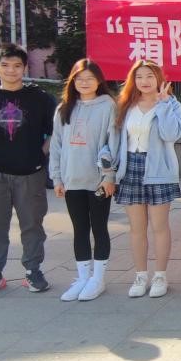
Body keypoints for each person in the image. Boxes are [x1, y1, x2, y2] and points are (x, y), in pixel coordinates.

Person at [0, 43, 57, 297]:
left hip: (29, 172)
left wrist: (40, 153)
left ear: (25, 68)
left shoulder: (40, 99)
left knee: (32, 224)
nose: (11, 70)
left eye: (17, 65)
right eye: (5, 65)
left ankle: (33, 270)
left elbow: (56, 131)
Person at [113, 59, 181, 298]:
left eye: (149, 76)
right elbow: (114, 138)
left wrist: (163, 104)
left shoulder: (171, 104)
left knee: (159, 226)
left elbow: (171, 134)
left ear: (159, 79)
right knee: (137, 228)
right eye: (139, 76)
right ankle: (141, 275)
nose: (144, 81)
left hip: (158, 169)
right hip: (130, 168)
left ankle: (160, 276)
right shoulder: (126, 105)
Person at [49, 58, 119, 301]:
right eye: (80, 79)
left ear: (99, 81)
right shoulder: (64, 108)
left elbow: (113, 142)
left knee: (99, 227)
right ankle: (82, 277)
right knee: (79, 229)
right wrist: (57, 178)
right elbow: (56, 145)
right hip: (72, 180)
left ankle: (98, 279)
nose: (85, 83)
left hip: (98, 181)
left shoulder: (108, 106)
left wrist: (109, 176)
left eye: (90, 78)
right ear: (72, 81)